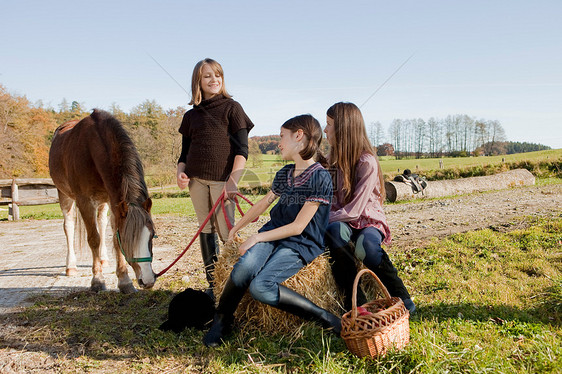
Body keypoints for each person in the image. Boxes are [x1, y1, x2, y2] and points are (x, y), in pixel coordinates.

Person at [203, 114, 340, 347]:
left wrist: (256, 237)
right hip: (274, 232)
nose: (279, 142)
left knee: (261, 288)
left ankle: (324, 317)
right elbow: (264, 203)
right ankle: (222, 319)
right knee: (245, 265)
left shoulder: (320, 177)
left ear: (299, 136)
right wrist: (237, 227)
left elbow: (298, 226)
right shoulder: (285, 173)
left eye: (282, 136)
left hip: (300, 242)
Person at [323, 102, 415, 314]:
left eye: (329, 125)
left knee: (367, 249)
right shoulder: (331, 160)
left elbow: (354, 211)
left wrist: (322, 219)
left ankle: (403, 298)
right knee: (334, 234)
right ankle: (357, 303)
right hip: (342, 221)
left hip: (365, 220)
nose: (325, 130)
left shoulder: (367, 162)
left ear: (344, 129)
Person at [177, 58, 254, 296]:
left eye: (217, 75)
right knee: (205, 229)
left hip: (223, 181)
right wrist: (180, 171)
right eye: (207, 76)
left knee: (227, 233)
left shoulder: (233, 108)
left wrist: (233, 181)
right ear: (197, 82)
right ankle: (213, 286)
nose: (214, 80)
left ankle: (235, 285)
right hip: (196, 180)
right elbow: (184, 153)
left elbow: (242, 151)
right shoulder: (191, 116)